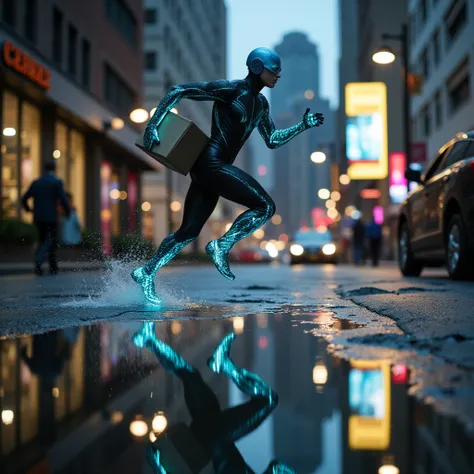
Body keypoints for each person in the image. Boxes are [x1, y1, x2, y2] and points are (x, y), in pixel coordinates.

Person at [132, 47, 325, 305]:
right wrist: (153, 125)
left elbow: (272, 140)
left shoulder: (261, 104)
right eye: (274, 71)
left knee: (188, 231)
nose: (278, 76)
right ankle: (222, 245)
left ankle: (146, 272)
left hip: (211, 170)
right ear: (257, 67)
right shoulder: (230, 90)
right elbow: (179, 90)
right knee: (265, 206)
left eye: (279, 72)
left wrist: (303, 126)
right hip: (211, 163)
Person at [133, 323, 295, 474]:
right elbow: (277, 466)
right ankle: (148, 340)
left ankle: (224, 364)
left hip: (214, 440)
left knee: (268, 399)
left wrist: (160, 468)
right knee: (190, 376)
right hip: (208, 430)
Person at [21, 161, 70, 275]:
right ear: (54, 169)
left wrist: (29, 210)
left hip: (38, 217)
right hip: (51, 218)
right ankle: (52, 267)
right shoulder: (56, 182)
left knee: (42, 240)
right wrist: (68, 212)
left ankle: (39, 266)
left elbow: (24, 199)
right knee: (52, 241)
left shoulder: (36, 183)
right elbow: (63, 199)